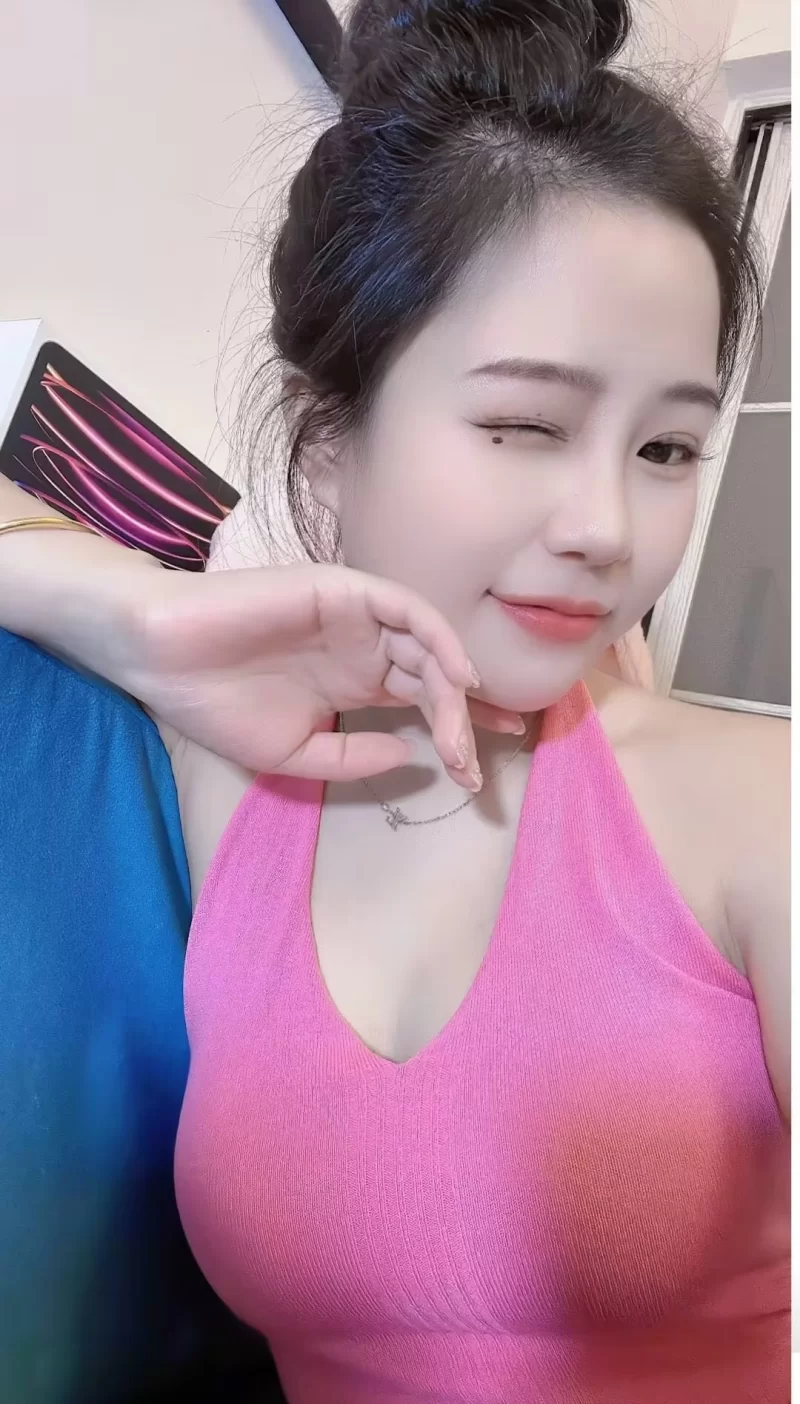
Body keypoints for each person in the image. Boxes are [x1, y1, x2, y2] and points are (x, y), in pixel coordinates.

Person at [0, 0, 789, 1399]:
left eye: (666, 447)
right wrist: (135, 607)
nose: (609, 528)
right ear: (326, 449)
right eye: (525, 425)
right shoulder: (219, 775)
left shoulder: (758, 815)